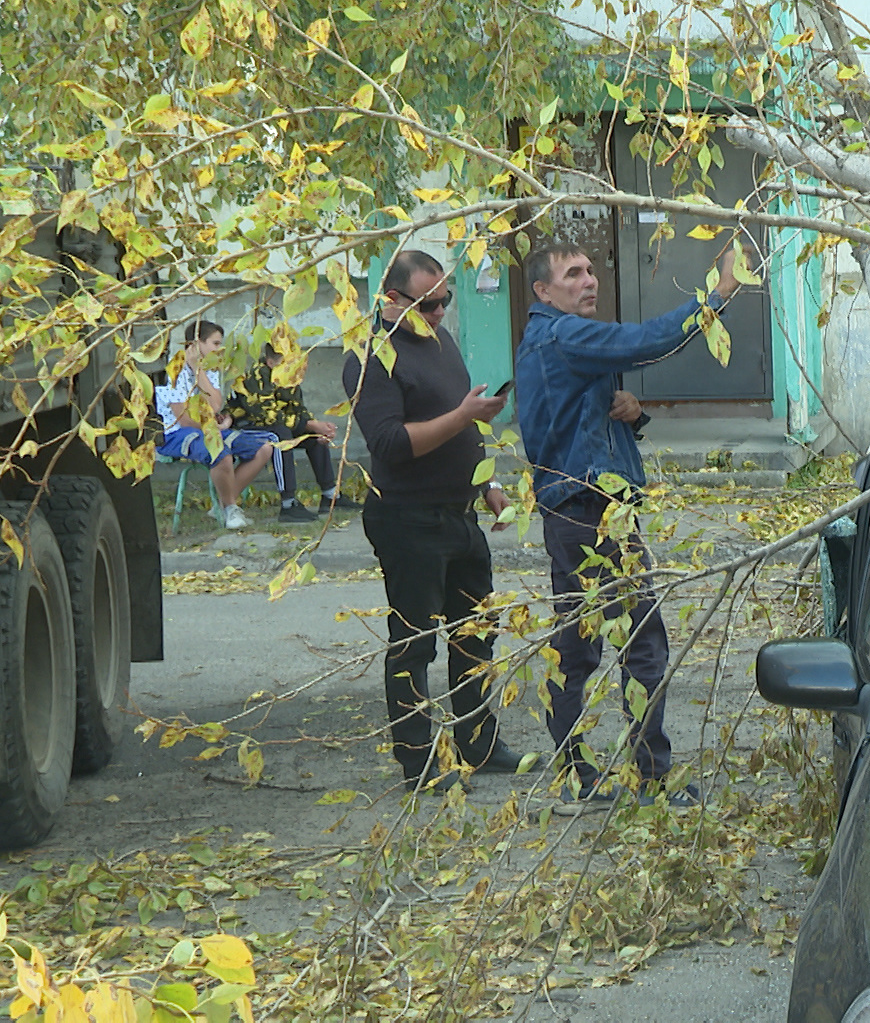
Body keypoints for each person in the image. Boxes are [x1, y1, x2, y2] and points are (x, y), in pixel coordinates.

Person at [514, 240, 740, 807]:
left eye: (591, 270)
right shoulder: (561, 336)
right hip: (586, 513)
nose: (589, 280)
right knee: (623, 645)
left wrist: (633, 415)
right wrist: (719, 296)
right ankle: (636, 776)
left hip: (598, 509)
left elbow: (588, 422)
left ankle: (597, 774)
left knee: (594, 647)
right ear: (543, 291)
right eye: (573, 274)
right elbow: (646, 340)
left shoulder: (564, 338)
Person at [343, 250, 525, 792]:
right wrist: (464, 417)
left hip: (458, 513)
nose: (443, 310)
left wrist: (487, 483)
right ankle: (420, 763)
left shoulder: (438, 339)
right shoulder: (371, 355)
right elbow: (392, 444)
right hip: (407, 517)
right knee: (414, 644)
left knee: (475, 635)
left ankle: (479, 743)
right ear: (391, 299)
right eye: (431, 302)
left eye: (446, 299)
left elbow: (457, 419)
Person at [155, 320, 285, 530]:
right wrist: (215, 428)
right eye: (215, 343)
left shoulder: (210, 368)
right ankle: (230, 508)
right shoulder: (173, 370)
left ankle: (224, 503)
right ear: (196, 344)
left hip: (207, 430)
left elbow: (215, 405)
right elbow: (184, 419)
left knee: (264, 447)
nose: (220, 349)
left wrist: (200, 371)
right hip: (176, 434)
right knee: (221, 453)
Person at [228, 345, 363, 522]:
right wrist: (310, 425)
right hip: (247, 426)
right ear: (270, 362)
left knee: (312, 438)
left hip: (275, 425)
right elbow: (268, 415)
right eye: (288, 363)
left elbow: (298, 409)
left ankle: (330, 495)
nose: (295, 367)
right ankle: (288, 504)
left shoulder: (289, 378)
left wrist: (316, 427)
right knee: (281, 435)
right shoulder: (257, 376)